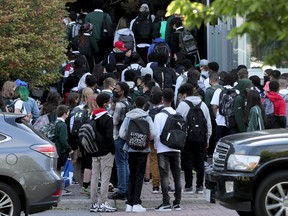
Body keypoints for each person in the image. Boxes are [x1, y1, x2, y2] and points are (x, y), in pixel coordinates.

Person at [119, 96, 156, 212]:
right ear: (144, 105)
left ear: (135, 104)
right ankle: (136, 202)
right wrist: (146, 140)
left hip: (131, 149)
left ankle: (129, 203)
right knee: (139, 175)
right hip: (143, 150)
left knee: (132, 175)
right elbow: (153, 133)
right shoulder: (147, 117)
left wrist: (130, 139)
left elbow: (122, 133)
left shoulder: (128, 117)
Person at [176, 83, 212, 194]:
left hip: (187, 139)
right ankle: (200, 186)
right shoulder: (203, 105)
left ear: (184, 94)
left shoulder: (182, 105)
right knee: (200, 161)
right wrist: (208, 139)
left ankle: (188, 186)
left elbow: (177, 122)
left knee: (187, 161)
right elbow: (208, 123)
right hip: (201, 138)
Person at [153, 88, 182, 211]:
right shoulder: (178, 114)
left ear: (162, 99)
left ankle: (166, 202)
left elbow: (156, 134)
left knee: (164, 176)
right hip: (176, 148)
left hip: (162, 148)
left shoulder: (159, 116)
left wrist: (156, 146)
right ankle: (177, 202)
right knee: (177, 176)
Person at [89, 93, 116, 213]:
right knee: (105, 177)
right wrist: (112, 150)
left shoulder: (92, 116)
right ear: (105, 103)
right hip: (106, 151)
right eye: (109, 101)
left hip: (94, 150)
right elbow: (109, 137)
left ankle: (94, 203)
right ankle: (104, 201)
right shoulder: (108, 118)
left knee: (94, 177)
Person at [109, 82, 131, 200]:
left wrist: (111, 110)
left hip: (117, 136)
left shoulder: (118, 105)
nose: (114, 90)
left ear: (122, 91)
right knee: (125, 162)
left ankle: (122, 189)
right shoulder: (128, 103)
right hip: (126, 136)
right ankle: (126, 188)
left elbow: (113, 121)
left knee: (120, 164)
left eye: (116, 89)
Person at [54, 105, 73, 195]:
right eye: (68, 113)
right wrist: (69, 149)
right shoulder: (63, 125)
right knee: (61, 171)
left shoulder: (55, 123)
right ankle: (60, 188)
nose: (68, 115)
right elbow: (63, 140)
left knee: (55, 170)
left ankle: (56, 188)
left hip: (54, 149)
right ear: (64, 114)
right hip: (60, 151)